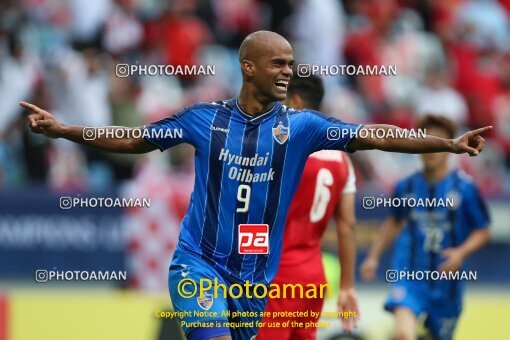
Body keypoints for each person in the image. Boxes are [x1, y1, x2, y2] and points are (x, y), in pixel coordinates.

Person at [22, 31, 490, 340]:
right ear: (249, 67)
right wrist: (65, 130)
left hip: (255, 280)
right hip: (198, 265)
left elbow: (375, 134)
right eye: (278, 64)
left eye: (291, 64)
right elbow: (132, 140)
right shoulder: (204, 120)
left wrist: (447, 144)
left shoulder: (303, 127)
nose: (288, 72)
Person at [360, 115, 491, 340]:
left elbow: (483, 231)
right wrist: (373, 256)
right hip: (409, 274)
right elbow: (394, 221)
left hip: (446, 281)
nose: (431, 148)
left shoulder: (465, 188)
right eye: (426, 140)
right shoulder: (406, 186)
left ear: (451, 145)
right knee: (403, 333)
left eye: (438, 141)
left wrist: (460, 253)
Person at [257, 74, 359, 340]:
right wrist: (347, 285)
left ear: (296, 101)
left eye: (280, 103)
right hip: (314, 276)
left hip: (276, 274)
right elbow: (347, 225)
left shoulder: (281, 148)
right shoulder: (341, 159)